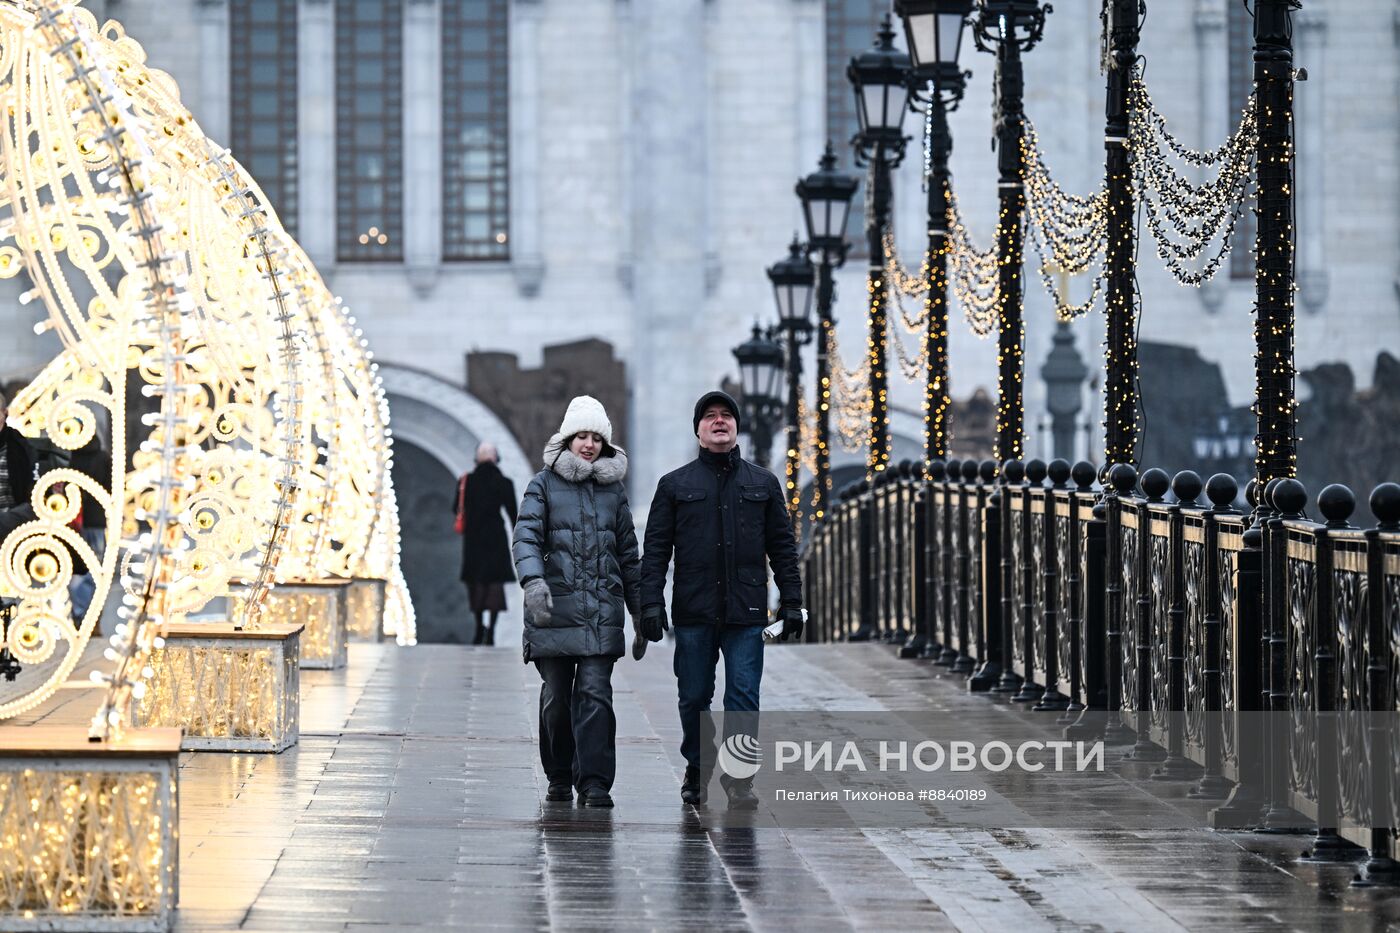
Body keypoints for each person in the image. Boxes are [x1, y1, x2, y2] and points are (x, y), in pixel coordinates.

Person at [639, 390, 803, 810]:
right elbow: (656, 551)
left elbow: (783, 549)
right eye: (709, 416)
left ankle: (739, 777)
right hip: (693, 611)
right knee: (694, 696)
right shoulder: (674, 485)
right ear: (698, 429)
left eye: (726, 415)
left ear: (736, 427)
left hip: (746, 611)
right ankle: (697, 767)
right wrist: (650, 604)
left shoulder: (762, 484)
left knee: (743, 695)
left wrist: (792, 603)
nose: (718, 421)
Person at [512, 395, 642, 808]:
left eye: (596, 438)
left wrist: (641, 613)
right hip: (553, 611)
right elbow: (526, 537)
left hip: (601, 612)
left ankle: (596, 783)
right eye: (581, 436)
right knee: (556, 699)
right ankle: (559, 774)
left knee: (596, 693)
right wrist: (533, 582)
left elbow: (628, 554)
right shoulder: (543, 485)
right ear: (568, 439)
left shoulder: (613, 492)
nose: (588, 444)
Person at [454, 442, 517, 645]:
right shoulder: (504, 482)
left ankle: (478, 626)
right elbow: (513, 513)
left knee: (476, 584)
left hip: (473, 540)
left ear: (477, 458)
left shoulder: (466, 481)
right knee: (494, 586)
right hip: (496, 539)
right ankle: (491, 630)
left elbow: (456, 508)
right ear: (496, 458)